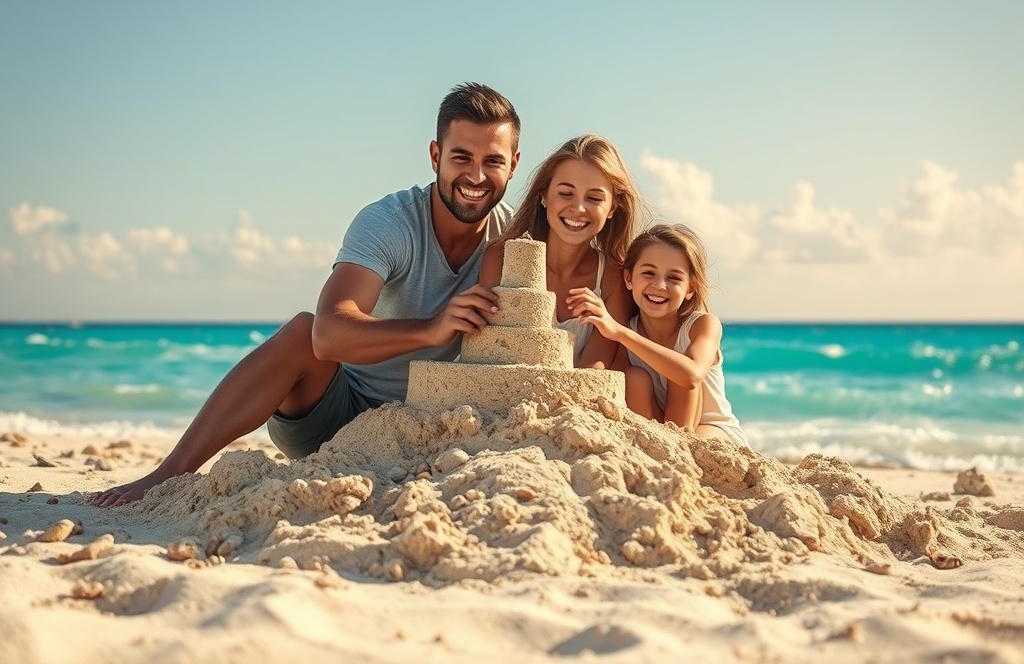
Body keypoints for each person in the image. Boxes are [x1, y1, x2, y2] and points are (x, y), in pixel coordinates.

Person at [89, 82, 521, 506]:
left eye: (492, 161)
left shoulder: (518, 239)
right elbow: (329, 335)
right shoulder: (389, 223)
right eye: (461, 157)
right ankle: (167, 474)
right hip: (339, 417)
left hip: (440, 426)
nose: (476, 176)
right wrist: (432, 329)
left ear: (514, 165)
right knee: (302, 330)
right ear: (435, 156)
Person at [568, 224, 747, 445]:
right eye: (648, 273)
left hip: (714, 431)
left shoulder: (703, 325)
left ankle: (677, 449)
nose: (660, 285)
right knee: (633, 378)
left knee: (680, 372)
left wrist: (619, 332)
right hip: (659, 434)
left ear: (691, 288)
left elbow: (691, 375)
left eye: (674, 278)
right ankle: (662, 448)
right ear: (628, 279)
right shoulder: (628, 333)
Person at [480, 134, 640, 369]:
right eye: (566, 193)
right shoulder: (501, 258)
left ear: (613, 208)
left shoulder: (613, 277)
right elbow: (489, 351)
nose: (578, 208)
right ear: (544, 195)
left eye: (594, 198)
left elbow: (593, 370)